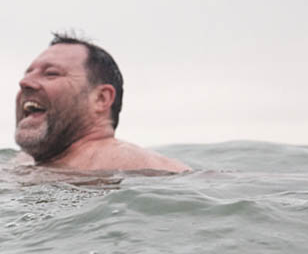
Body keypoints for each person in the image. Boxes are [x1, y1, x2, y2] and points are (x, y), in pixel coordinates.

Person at [14, 32, 189, 173]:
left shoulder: (135, 165)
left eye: (51, 73)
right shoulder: (23, 162)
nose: (25, 83)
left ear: (101, 99)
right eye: (27, 73)